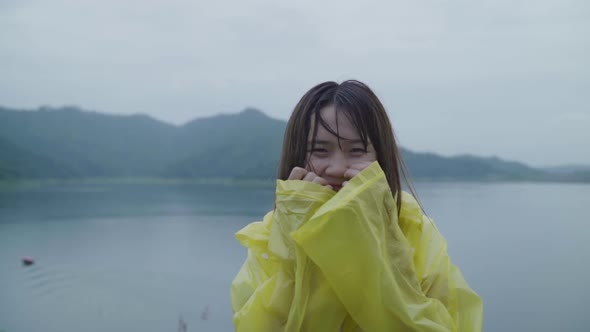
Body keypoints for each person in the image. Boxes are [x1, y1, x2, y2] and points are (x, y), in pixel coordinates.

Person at [230, 80, 483, 331]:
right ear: (298, 157)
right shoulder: (269, 238)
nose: (338, 168)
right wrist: (299, 243)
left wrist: (377, 242)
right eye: (319, 150)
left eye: (357, 150)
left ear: (380, 158)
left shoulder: (414, 230)